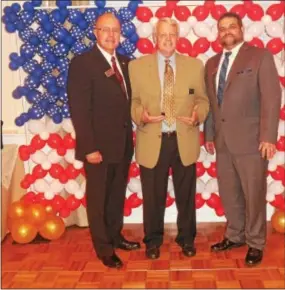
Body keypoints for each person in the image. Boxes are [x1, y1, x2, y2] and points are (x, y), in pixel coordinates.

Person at [204, 12, 281, 266]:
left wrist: (269, 136)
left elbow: (271, 97)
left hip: (252, 141)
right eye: (222, 28)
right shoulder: (212, 63)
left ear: (241, 29)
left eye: (231, 27)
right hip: (223, 141)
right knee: (230, 193)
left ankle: (256, 242)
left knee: (253, 194)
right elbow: (212, 103)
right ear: (218, 33)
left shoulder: (259, 56)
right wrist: (209, 134)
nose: (227, 31)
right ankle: (235, 235)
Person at [129, 18, 209, 259]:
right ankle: (152, 241)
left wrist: (198, 116)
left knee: (186, 195)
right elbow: (132, 102)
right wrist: (139, 115)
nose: (167, 39)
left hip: (183, 138)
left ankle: (187, 239)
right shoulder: (136, 66)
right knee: (153, 196)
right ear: (154, 37)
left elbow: (203, 101)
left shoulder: (195, 66)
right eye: (162, 34)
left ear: (178, 37)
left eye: (172, 34)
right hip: (152, 140)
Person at [67, 13, 140, 269]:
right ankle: (103, 248)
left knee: (116, 195)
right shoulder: (83, 63)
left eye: (115, 30)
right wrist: (88, 148)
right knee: (98, 199)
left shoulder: (125, 62)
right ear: (95, 32)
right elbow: (79, 109)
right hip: (97, 148)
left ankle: (115, 235)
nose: (111, 35)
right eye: (105, 30)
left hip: (122, 145)